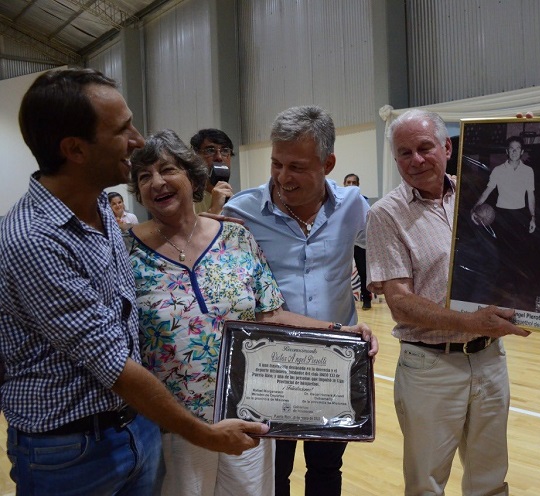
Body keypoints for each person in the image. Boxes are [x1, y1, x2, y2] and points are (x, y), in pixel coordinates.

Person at [0, 68, 267, 496]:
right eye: (122, 128)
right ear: (75, 149)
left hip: (135, 429)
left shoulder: (98, 211)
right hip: (69, 450)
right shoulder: (34, 238)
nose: (137, 140)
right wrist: (206, 434)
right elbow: (114, 365)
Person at [124, 129, 377, 495]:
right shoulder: (122, 253)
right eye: (144, 176)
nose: (157, 183)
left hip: (246, 414)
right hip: (172, 428)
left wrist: (339, 330)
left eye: (167, 170)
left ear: (193, 177)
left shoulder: (234, 237)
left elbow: (269, 316)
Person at [366, 108, 530, 496]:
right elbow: (401, 303)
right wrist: (473, 323)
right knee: (426, 485)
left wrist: (522, 130)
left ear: (447, 147)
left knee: (490, 480)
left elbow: (521, 240)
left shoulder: (477, 194)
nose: (416, 160)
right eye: (404, 153)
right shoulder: (385, 214)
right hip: (429, 366)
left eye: (425, 148)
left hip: (490, 358)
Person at [223, 105, 370, 496]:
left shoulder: (354, 206)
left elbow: (391, 250)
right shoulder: (240, 212)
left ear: (328, 162)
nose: (283, 178)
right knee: (275, 472)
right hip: (269, 367)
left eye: (297, 167)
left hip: (332, 364)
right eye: (276, 164)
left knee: (327, 469)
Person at [472, 135, 536, 301]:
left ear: (522, 151)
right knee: (501, 255)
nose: (514, 152)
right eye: (511, 149)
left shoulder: (528, 171)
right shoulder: (498, 170)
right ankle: (500, 290)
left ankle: (518, 289)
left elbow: (531, 195)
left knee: (520, 254)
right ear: (507, 151)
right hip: (502, 216)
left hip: (520, 215)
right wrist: (475, 207)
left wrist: (533, 217)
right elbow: (487, 191)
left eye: (517, 149)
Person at [343, 173, 372, 310]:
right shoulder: (338, 201)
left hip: (360, 243)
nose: (350, 185)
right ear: (344, 184)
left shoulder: (363, 201)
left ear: (358, 185)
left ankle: (366, 299)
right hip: (345, 242)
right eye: (348, 182)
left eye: (353, 183)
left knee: (363, 272)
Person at [190, 128, 235, 214]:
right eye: (210, 150)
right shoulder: (187, 200)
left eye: (225, 151)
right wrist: (214, 210)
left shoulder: (235, 200)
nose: (219, 157)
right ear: (195, 157)